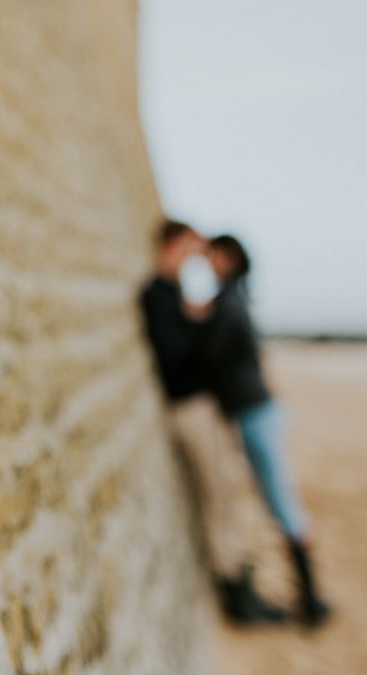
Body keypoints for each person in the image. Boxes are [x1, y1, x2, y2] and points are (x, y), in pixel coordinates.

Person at [139, 220, 286, 625]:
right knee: (216, 499)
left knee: (223, 496)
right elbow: (175, 356)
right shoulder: (156, 293)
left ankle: (242, 584)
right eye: (189, 248)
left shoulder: (172, 295)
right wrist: (202, 324)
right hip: (189, 409)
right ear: (171, 245)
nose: (195, 258)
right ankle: (237, 596)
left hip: (201, 408)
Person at [202, 234, 332, 628]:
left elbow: (214, 357)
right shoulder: (235, 299)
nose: (208, 261)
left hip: (257, 415)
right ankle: (310, 599)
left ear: (228, 259)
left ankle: (311, 601)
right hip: (260, 412)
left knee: (281, 503)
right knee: (279, 503)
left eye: (212, 255)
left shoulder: (227, 303)